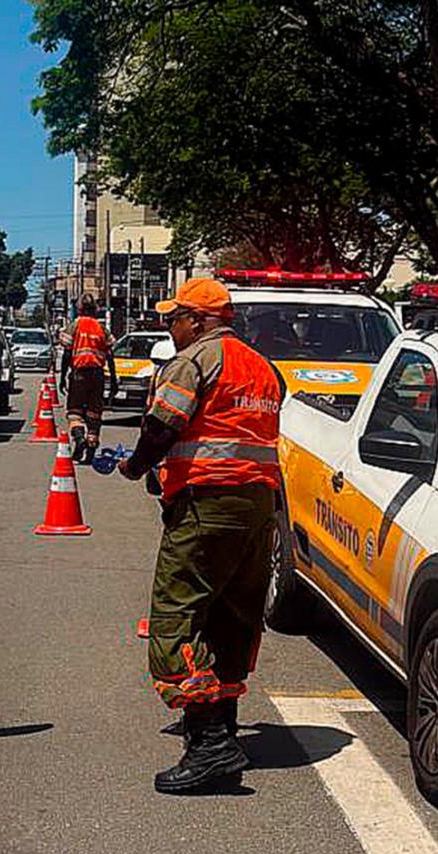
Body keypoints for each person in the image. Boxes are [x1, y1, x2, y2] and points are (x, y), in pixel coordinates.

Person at [119, 277, 284, 794]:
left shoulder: (194, 361)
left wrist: (135, 466)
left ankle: (211, 742)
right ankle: (221, 726)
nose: (170, 327)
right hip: (258, 504)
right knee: (232, 615)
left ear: (200, 320)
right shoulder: (262, 366)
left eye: (175, 318)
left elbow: (162, 426)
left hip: (207, 504)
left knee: (177, 616)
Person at [58, 296, 117, 463]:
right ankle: (90, 449)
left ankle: (79, 439)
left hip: (79, 374)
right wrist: (113, 380)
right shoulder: (101, 328)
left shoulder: (75, 325)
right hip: (98, 375)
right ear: (95, 309)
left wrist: (63, 377)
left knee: (74, 411)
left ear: (80, 309)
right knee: (94, 414)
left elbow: (67, 353)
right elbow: (110, 356)